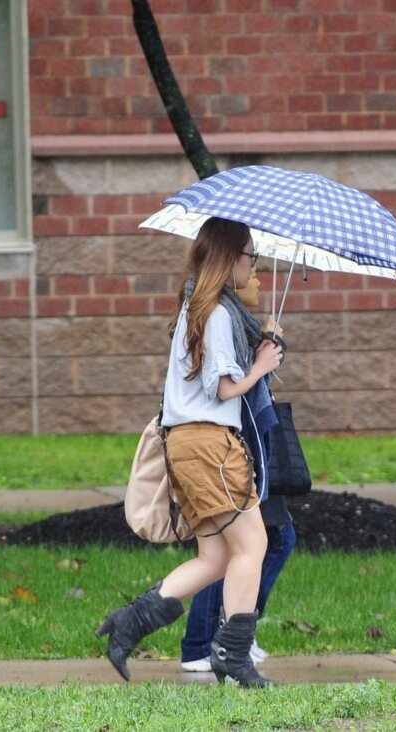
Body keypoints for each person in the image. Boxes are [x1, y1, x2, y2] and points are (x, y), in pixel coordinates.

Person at [95, 217, 283, 688]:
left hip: (189, 445)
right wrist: (260, 366)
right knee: (254, 544)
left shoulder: (196, 309)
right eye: (250, 257)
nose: (253, 265)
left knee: (216, 559)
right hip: (210, 446)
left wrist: (259, 347)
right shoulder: (217, 313)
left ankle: (128, 624)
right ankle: (232, 655)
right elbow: (223, 390)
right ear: (229, 258)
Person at [180, 495, 296, 671]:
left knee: (273, 539)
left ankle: (230, 641)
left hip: (237, 477)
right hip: (228, 477)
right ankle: (214, 644)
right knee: (228, 553)